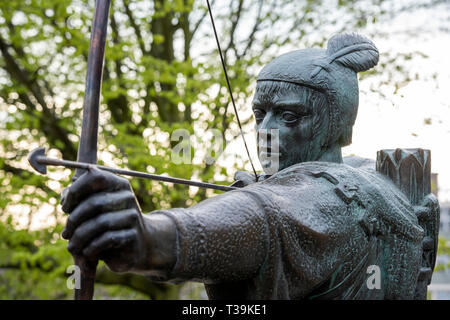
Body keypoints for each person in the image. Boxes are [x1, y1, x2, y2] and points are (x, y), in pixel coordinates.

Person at [60, 33, 426, 299]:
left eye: (287, 116)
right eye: (259, 114)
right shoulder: (365, 176)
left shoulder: (327, 197)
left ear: (334, 126)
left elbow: (267, 219)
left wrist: (147, 238)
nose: (266, 132)